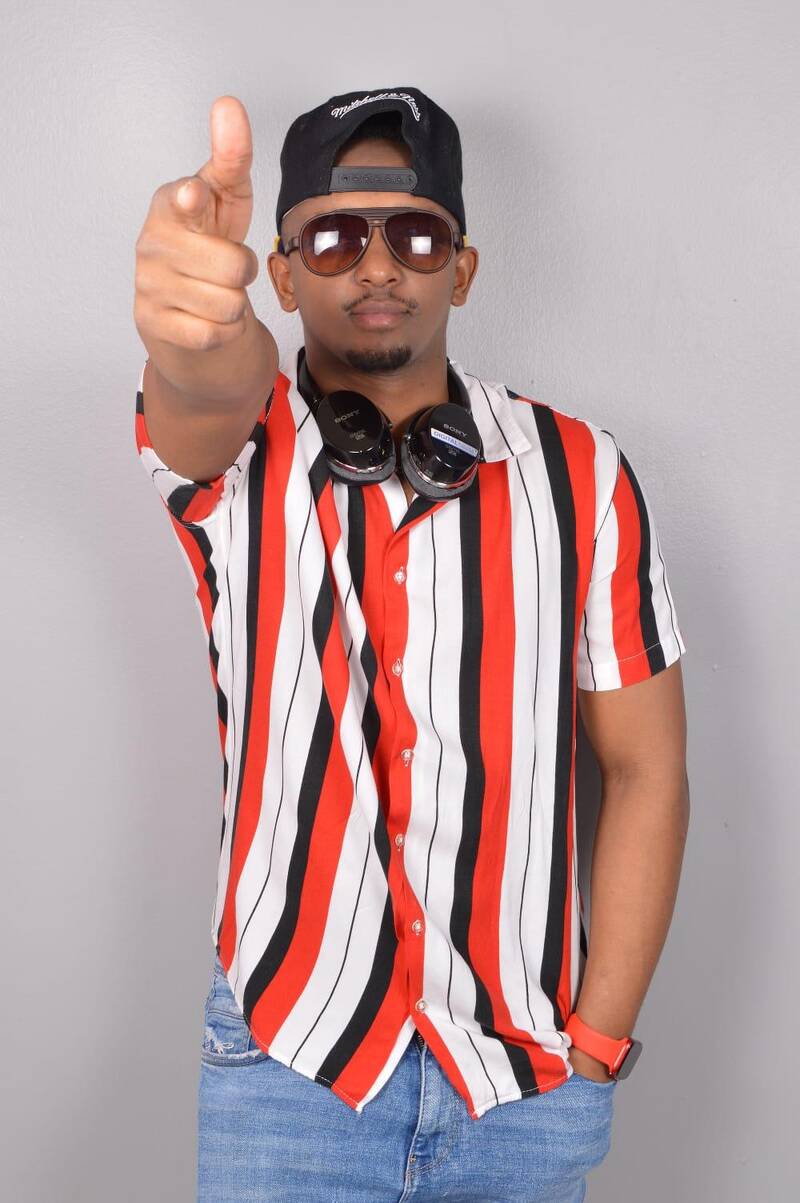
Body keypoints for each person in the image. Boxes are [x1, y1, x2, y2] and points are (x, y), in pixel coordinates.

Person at [132, 86, 689, 1203]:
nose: (377, 266)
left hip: (523, 1085)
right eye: (333, 237)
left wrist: (593, 1051)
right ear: (282, 273)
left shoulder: (580, 474)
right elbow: (202, 381)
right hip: (288, 1069)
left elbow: (644, 769)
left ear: (461, 269)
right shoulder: (237, 452)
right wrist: (189, 330)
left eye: (415, 236)